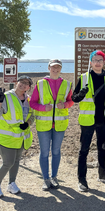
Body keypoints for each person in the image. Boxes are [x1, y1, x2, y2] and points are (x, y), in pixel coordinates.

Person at [72, 50, 105, 192]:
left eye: (100, 60)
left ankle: (102, 174)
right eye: (95, 60)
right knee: (83, 150)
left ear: (103, 62)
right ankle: (82, 179)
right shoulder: (84, 77)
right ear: (90, 62)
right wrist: (81, 94)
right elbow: (74, 98)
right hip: (87, 120)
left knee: (102, 148)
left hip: (103, 120)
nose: (98, 62)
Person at [30, 59, 74, 191]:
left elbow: (71, 101)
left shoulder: (67, 84)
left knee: (56, 152)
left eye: (58, 67)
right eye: (53, 67)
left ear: (61, 69)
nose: (55, 69)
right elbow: (32, 103)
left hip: (59, 125)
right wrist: (43, 108)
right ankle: (46, 179)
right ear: (48, 68)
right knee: (44, 153)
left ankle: (54, 177)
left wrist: (65, 105)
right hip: (44, 125)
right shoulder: (40, 84)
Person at [0, 76, 34, 198]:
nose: (23, 85)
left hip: (20, 137)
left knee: (16, 161)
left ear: (29, 87)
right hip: (5, 138)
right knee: (7, 163)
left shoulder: (29, 100)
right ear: (16, 82)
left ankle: (11, 184)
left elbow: (32, 116)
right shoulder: (6, 96)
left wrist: (28, 124)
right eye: (22, 82)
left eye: (27, 83)